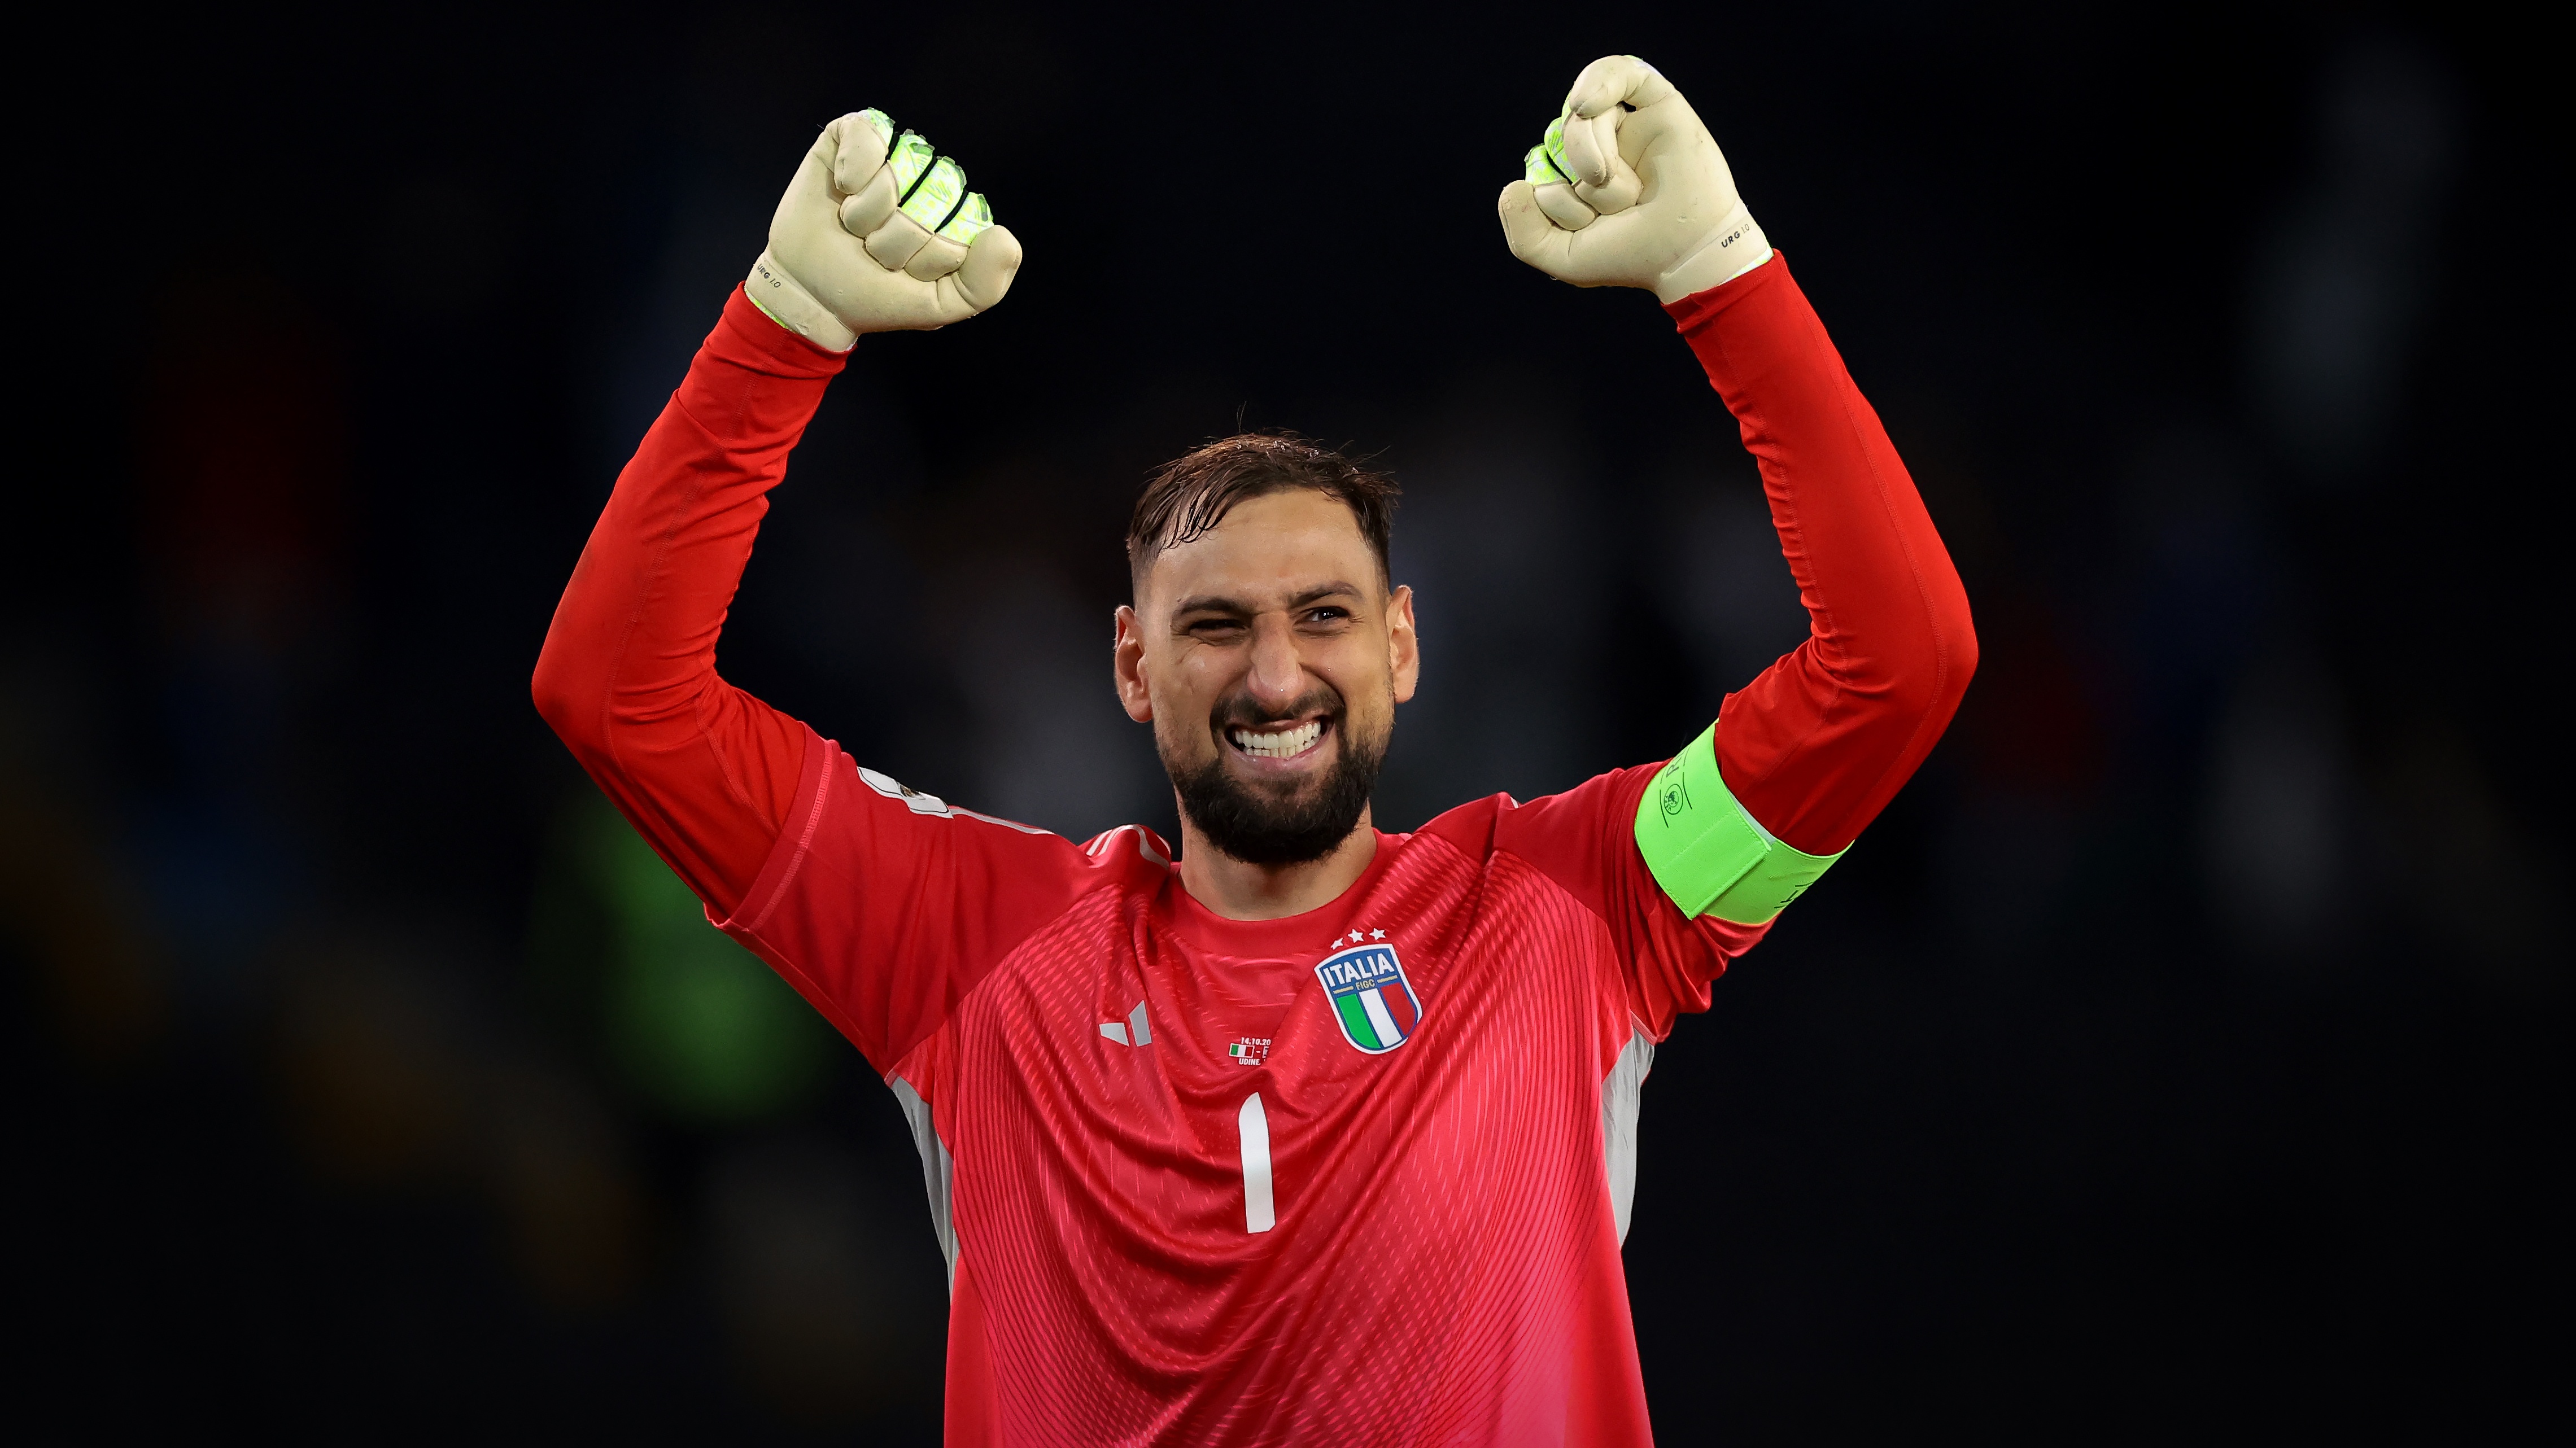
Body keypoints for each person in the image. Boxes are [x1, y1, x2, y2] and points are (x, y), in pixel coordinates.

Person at [535, 55, 1975, 1447]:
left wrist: (1725, 273)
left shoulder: (1576, 910)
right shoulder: (970, 948)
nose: (1275, 670)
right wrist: (781, 328)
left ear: (1402, 646)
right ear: (1129, 663)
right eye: (1214, 623)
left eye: (1324, 616)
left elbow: (1898, 665)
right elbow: (618, 693)